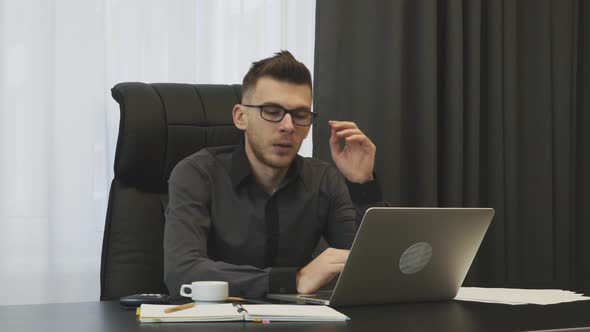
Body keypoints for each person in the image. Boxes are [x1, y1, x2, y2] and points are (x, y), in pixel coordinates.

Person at [164, 51, 383, 299]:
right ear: (240, 117)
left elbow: (372, 269)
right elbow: (183, 272)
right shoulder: (197, 173)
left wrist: (362, 184)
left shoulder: (324, 179)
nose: (288, 126)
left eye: (300, 115)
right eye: (271, 111)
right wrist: (294, 280)